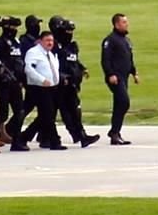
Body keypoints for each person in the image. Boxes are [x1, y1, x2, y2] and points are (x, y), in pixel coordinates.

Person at [52, 17, 100, 148]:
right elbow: (53, 64)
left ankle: (81, 136)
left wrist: (82, 68)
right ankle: (78, 135)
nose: (69, 34)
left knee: (73, 110)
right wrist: (62, 77)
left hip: (72, 84)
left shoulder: (72, 46)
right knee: (62, 112)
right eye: (67, 31)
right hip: (60, 84)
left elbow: (74, 61)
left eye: (71, 31)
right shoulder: (55, 46)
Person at [16, 30, 65, 151]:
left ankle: (22, 138)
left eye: (52, 40)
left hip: (51, 88)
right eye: (47, 40)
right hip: (39, 88)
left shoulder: (50, 54)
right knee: (47, 115)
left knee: (44, 116)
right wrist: (42, 80)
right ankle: (54, 141)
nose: (50, 43)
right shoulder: (34, 53)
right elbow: (29, 69)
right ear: (40, 41)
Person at [101, 13, 138, 145]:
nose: (126, 24)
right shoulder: (110, 40)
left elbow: (129, 58)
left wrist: (134, 72)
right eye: (124, 22)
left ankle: (115, 134)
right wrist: (110, 74)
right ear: (116, 24)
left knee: (119, 104)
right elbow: (105, 60)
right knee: (124, 102)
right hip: (116, 77)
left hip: (124, 76)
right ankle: (114, 131)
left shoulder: (126, 40)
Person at [0, 16, 25, 145]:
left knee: (20, 110)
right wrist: (0, 72)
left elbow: (20, 61)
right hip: (2, 82)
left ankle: (13, 134)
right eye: (12, 27)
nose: (14, 30)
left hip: (15, 82)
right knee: (1, 111)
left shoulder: (16, 42)